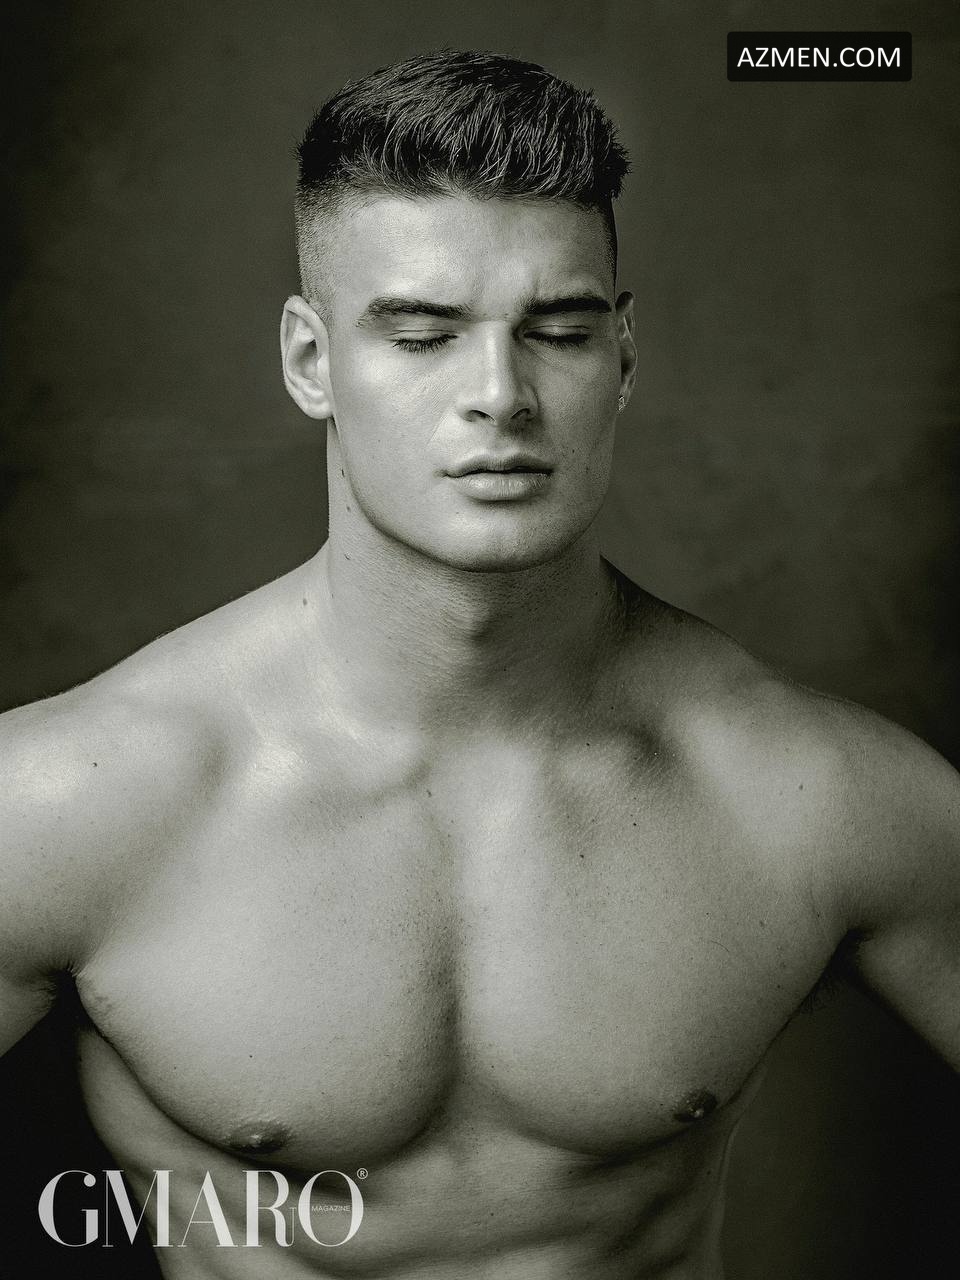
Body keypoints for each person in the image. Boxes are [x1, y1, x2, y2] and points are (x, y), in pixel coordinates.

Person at [2, 48, 958, 1279]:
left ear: (623, 356)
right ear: (311, 362)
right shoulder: (70, 802)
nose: (501, 395)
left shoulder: (808, 792)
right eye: (423, 335)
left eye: (558, 331)